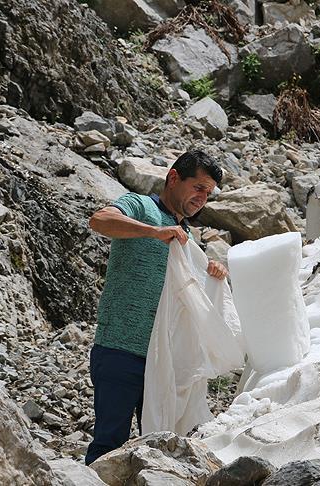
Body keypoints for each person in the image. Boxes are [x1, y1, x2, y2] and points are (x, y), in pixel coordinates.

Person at [84, 150, 228, 465]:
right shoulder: (141, 206)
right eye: (198, 187)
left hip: (164, 361)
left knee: (160, 448)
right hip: (120, 350)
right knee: (110, 444)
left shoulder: (186, 237)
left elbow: (188, 297)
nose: (202, 198)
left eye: (208, 193)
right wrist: (153, 231)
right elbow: (100, 220)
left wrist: (212, 273)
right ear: (174, 178)